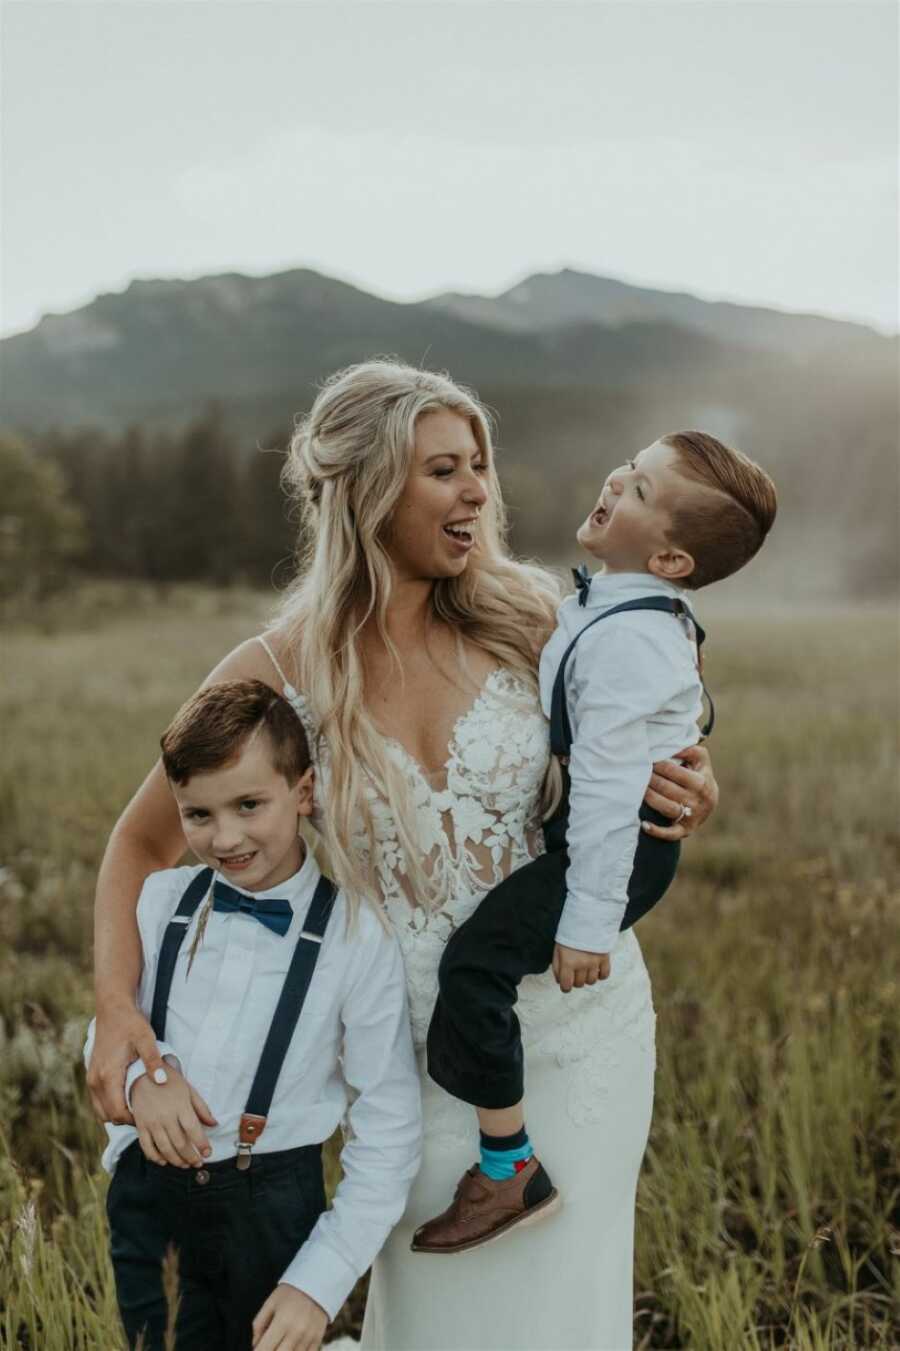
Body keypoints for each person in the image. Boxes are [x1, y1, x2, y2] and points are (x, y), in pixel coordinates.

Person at [87, 360, 718, 1351]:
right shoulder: (275, 668)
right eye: (443, 470)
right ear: (367, 489)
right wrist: (119, 1011)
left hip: (583, 1024)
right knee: (443, 1318)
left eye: (479, 465)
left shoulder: (537, 619)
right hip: (417, 1054)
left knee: (566, 1310)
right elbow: (140, 838)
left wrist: (690, 785)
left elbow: (649, 740)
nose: (477, 490)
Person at [419, 431, 777, 1253]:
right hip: (596, 836)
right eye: (630, 463)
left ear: (672, 561)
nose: (617, 477)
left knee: (473, 966)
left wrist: (587, 922)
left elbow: (615, 785)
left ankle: (507, 1169)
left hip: (614, 848)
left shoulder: (627, 635)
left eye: (643, 490)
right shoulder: (612, 605)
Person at [84, 679, 421, 1351]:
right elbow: (110, 1031)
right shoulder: (159, 901)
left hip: (268, 1211)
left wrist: (317, 1283)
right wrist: (143, 1081)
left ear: (302, 792)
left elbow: (390, 1131)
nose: (225, 836)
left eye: (248, 804)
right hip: (148, 1206)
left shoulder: (357, 936)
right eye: (197, 814)